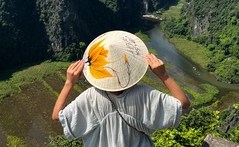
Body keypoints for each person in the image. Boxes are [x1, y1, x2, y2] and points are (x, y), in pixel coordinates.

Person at [52, 30, 190, 147]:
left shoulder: (90, 97)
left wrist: (69, 83)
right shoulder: (143, 94)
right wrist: (163, 75)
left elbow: (57, 115)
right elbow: (183, 103)